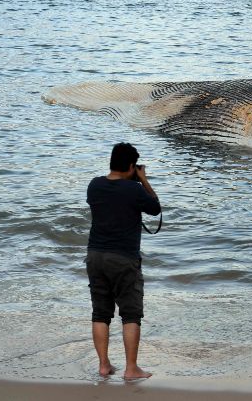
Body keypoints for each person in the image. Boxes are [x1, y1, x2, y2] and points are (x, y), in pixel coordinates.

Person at [85, 142, 161, 379]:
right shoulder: (135, 191)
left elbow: (112, 200)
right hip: (123, 259)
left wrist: (132, 179)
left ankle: (104, 365)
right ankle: (131, 368)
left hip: (95, 256)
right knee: (130, 314)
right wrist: (144, 180)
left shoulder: (94, 185)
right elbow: (155, 208)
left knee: (100, 313)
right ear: (131, 166)